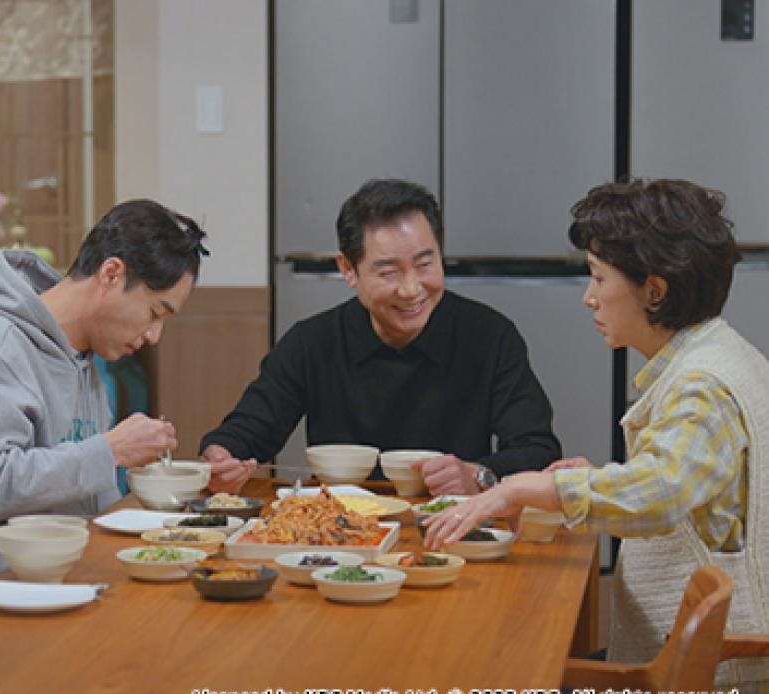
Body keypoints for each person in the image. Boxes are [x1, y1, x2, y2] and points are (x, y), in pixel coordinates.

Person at [423, 178, 769, 694]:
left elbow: (662, 491)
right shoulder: (719, 352)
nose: (588, 297)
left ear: (654, 291)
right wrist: (590, 477)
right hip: (675, 668)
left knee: (490, 686)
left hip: (699, 687)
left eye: (598, 277)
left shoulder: (702, 384)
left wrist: (527, 488)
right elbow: (692, 488)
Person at [200, 178, 560, 493]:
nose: (411, 289)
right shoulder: (313, 342)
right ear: (348, 269)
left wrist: (479, 475)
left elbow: (537, 449)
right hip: (341, 529)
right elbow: (247, 432)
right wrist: (221, 458)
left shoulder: (489, 336)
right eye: (389, 272)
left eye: (425, 264)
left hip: (455, 523)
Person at [0, 199, 207, 583]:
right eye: (155, 313)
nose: (154, 335)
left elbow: (86, 495)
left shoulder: (84, 355)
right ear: (111, 274)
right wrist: (110, 451)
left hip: (64, 577)